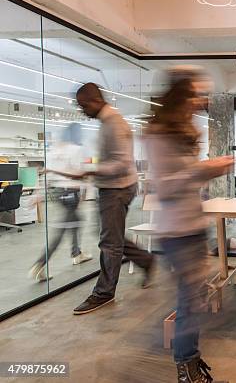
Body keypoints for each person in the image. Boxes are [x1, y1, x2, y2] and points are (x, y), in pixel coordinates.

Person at [146, 67, 233, 383]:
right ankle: (185, 367)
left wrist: (204, 170)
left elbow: (183, 181)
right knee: (190, 304)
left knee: (194, 301)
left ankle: (190, 361)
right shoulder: (157, 135)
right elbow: (165, 188)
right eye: (196, 94)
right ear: (181, 97)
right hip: (177, 233)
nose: (201, 101)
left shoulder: (184, 133)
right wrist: (204, 170)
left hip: (193, 228)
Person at [72, 83, 154, 315]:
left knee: (110, 242)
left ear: (96, 101)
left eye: (84, 105)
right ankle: (146, 260)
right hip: (113, 188)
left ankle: (104, 292)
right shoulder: (107, 123)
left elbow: (121, 163)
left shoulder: (114, 124)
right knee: (112, 237)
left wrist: (91, 170)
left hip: (117, 189)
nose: (82, 110)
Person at [29, 123, 92, 282]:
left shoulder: (53, 151)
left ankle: (77, 253)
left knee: (77, 220)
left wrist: (39, 194)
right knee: (62, 230)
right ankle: (40, 264)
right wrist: (83, 193)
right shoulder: (76, 149)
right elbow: (80, 174)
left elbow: (47, 176)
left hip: (58, 193)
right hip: (71, 193)